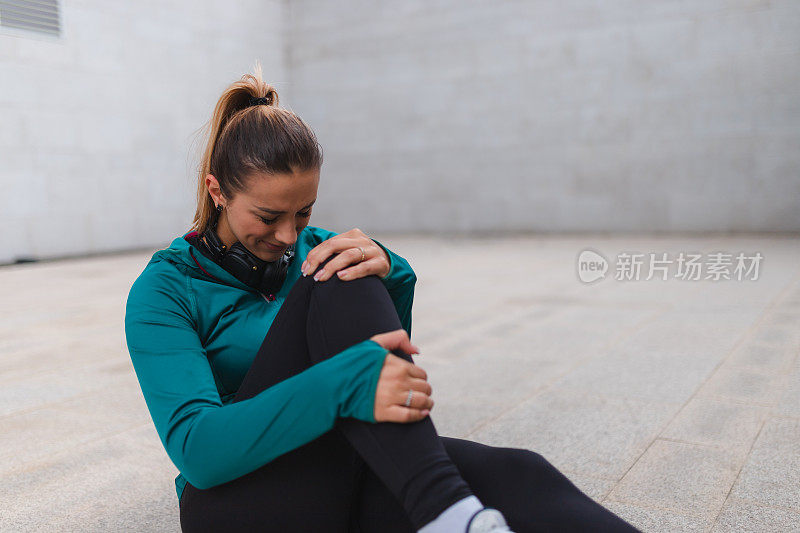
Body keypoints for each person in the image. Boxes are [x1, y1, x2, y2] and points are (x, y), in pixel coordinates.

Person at [124, 65, 642, 533]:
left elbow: (384, 376)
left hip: (333, 465)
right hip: (239, 503)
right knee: (332, 275)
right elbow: (198, 451)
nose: (288, 235)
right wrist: (339, 387)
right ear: (217, 191)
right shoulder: (165, 290)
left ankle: (450, 515)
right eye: (267, 216)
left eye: (303, 213)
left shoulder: (317, 248)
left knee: (518, 475)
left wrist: (391, 273)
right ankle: (445, 512)